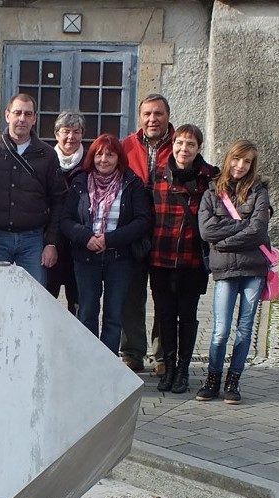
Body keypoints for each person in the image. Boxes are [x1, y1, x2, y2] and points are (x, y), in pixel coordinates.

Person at [61, 134, 152, 354]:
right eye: (99, 154)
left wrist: (109, 239)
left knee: (113, 315)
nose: (104, 159)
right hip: (86, 257)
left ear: (118, 158)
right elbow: (65, 219)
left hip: (119, 259)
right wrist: (86, 238)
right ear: (92, 156)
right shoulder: (80, 182)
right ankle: (89, 362)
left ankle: (109, 366)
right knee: (87, 313)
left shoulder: (131, 183)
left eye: (110, 155)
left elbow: (143, 221)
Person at [196, 140, 271, 404]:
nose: (241, 166)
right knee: (220, 329)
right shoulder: (212, 193)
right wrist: (242, 227)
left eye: (247, 161)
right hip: (225, 269)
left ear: (252, 165)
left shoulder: (259, 192)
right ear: (229, 159)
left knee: (245, 328)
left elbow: (259, 229)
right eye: (237, 159)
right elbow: (206, 232)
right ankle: (212, 378)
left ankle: (233, 381)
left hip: (253, 269)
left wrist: (224, 240)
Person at [149, 124, 219, 394]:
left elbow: (235, 197)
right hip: (160, 258)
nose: (183, 149)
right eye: (179, 143)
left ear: (198, 148)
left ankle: (182, 370)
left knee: (187, 316)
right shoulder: (158, 176)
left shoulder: (210, 179)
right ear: (173, 144)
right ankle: (167, 367)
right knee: (164, 316)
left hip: (192, 260)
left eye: (190, 144)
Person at [0, 93, 65, 283]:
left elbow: (58, 199)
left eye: (28, 114)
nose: (22, 119)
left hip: (33, 240)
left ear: (34, 118)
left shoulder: (47, 155)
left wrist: (52, 242)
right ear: (7, 115)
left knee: (33, 298)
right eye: (17, 113)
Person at [119, 93, 174, 374]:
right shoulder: (126, 146)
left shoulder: (180, 144)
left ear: (167, 116)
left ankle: (163, 355)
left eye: (158, 114)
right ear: (140, 117)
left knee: (164, 296)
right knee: (131, 295)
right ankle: (132, 351)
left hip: (168, 232)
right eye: (148, 114)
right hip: (133, 232)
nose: (153, 119)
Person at [47, 110, 85, 314]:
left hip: (79, 243)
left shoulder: (90, 163)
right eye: (66, 131)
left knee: (79, 303)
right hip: (51, 240)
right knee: (46, 298)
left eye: (76, 132)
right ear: (56, 134)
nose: (71, 137)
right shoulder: (46, 159)